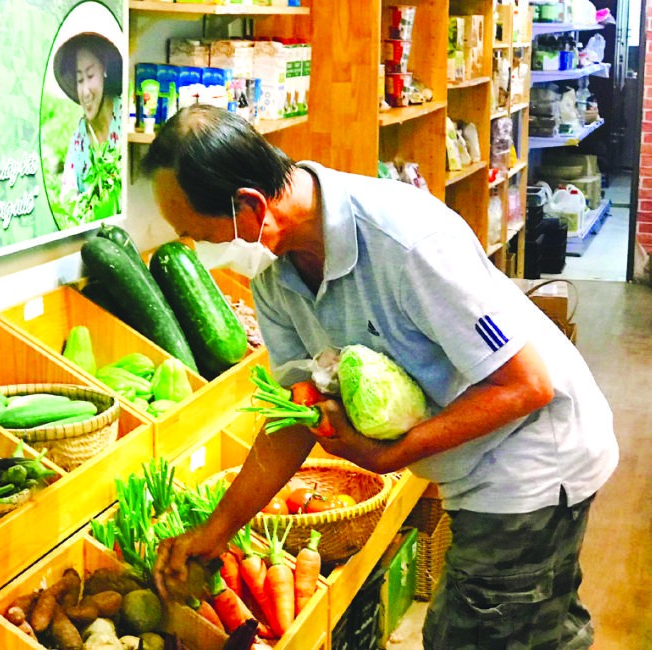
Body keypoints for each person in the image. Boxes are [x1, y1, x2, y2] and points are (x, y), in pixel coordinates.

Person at [142, 104, 619, 649]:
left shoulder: (407, 240)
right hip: (477, 460)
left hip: (532, 458)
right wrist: (217, 530)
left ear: (251, 206)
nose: (200, 250)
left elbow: (527, 385)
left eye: (200, 235)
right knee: (539, 626)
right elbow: (293, 419)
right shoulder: (277, 282)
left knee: (473, 635)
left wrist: (395, 455)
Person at [52, 18, 123, 217]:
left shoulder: (125, 119)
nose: (85, 91)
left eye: (90, 76)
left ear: (105, 72)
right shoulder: (79, 140)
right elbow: (68, 197)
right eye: (79, 80)